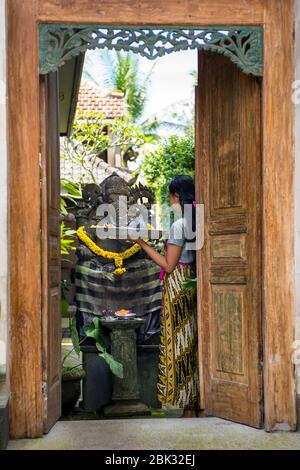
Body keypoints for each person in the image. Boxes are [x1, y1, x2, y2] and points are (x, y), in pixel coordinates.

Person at [131, 175, 200, 417]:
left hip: (178, 285)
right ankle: (195, 403)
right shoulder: (198, 220)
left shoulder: (180, 224)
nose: (169, 200)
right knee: (190, 342)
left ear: (177, 196)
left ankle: (187, 406)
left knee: (178, 344)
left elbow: (168, 265)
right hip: (192, 281)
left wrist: (141, 242)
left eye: (170, 196)